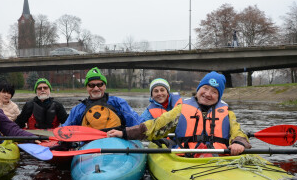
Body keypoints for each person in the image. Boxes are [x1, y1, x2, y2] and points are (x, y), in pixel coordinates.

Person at [107, 71, 251, 156]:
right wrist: (123, 133)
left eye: (214, 92)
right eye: (205, 88)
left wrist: (239, 142)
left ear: (219, 96)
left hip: (218, 157)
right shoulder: (182, 109)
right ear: (199, 88)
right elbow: (155, 126)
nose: (208, 94)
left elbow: (238, 132)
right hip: (187, 157)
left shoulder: (228, 114)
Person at [62, 67, 143, 131]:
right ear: (86, 87)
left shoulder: (118, 103)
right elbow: (64, 130)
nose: (96, 88)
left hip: (116, 144)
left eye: (100, 84)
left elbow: (138, 123)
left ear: (105, 86)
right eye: (91, 85)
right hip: (90, 146)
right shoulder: (78, 109)